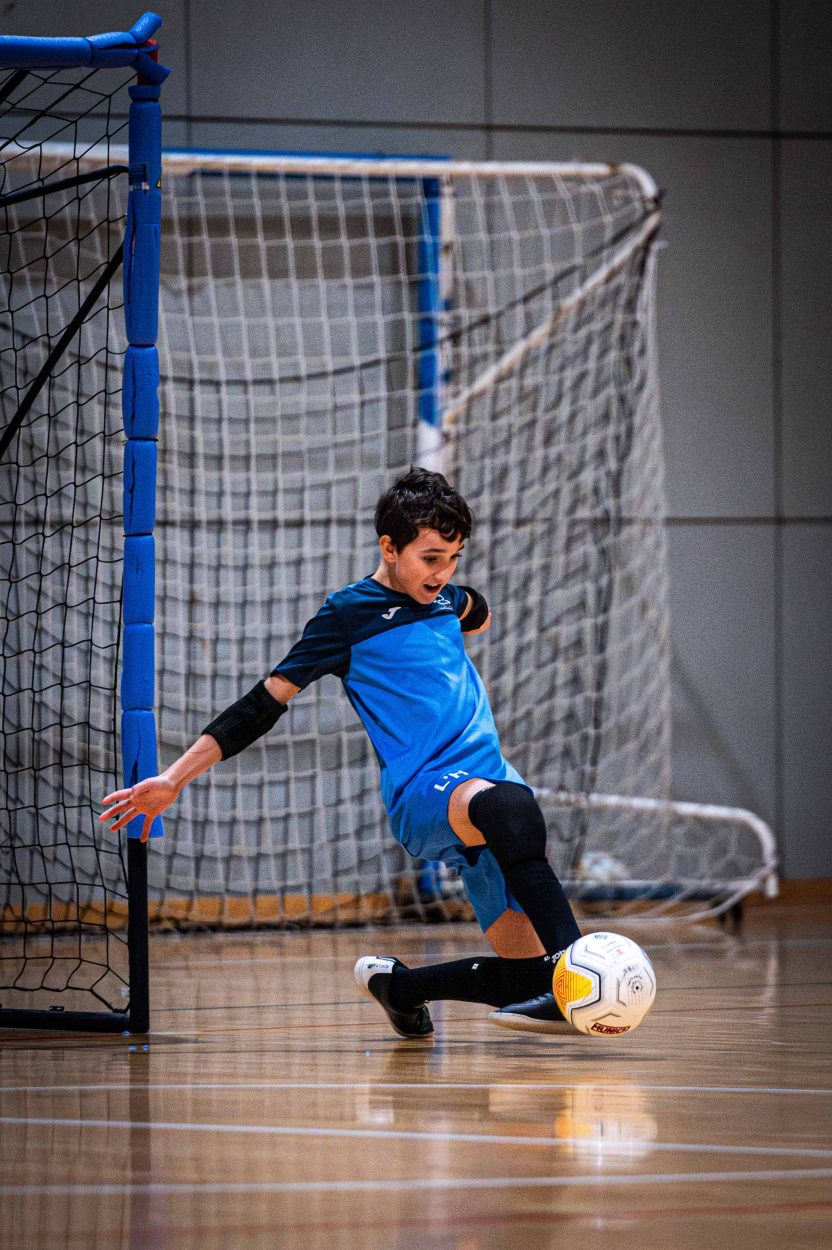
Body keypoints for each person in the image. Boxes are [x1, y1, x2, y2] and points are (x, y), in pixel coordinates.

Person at [101, 468, 580, 1036]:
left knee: (527, 979)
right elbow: (263, 702)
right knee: (514, 807)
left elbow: (475, 609)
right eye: (430, 558)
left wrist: (467, 603)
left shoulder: (445, 597)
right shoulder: (347, 615)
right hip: (426, 792)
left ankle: (401, 988)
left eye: (454, 558)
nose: (443, 572)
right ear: (389, 548)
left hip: (485, 788)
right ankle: (579, 967)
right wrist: (174, 779)